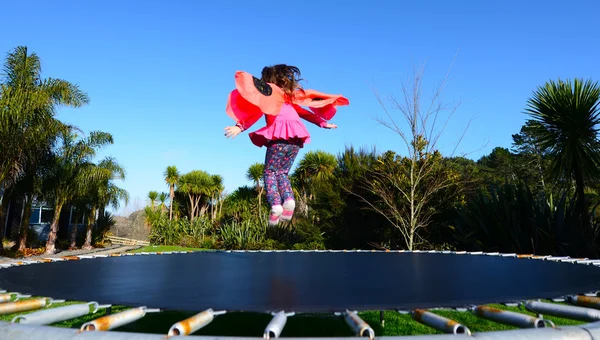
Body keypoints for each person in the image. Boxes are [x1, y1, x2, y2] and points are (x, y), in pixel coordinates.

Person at [224, 64, 349, 225]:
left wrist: (239, 127)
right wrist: (323, 124)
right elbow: (306, 113)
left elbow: (255, 114)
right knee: (282, 173)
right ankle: (289, 201)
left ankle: (276, 204)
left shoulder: (268, 97)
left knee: (269, 172)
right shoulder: (290, 99)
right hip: (296, 139)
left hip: (278, 138)